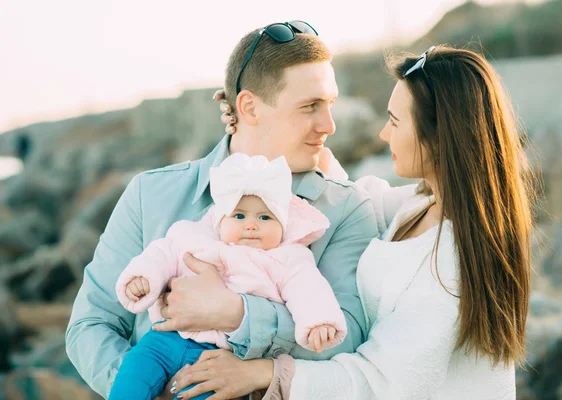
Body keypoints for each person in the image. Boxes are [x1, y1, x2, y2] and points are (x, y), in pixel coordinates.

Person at [172, 45, 533, 400]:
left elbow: (379, 384)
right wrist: (251, 122)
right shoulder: (421, 204)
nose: (383, 134)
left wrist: (262, 373)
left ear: (440, 137)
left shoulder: (448, 264)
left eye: (394, 121)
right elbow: (356, 196)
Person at [65, 20, 380, 400]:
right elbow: (91, 323)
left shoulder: (345, 209)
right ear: (248, 106)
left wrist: (238, 315)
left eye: (329, 104)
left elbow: (347, 342)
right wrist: (156, 390)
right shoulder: (152, 193)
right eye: (310, 106)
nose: (328, 125)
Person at [108, 153, 347, 400]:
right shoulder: (193, 237)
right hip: (163, 340)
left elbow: (308, 290)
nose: (251, 225)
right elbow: (160, 255)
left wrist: (319, 322)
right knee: (133, 373)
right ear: (220, 220)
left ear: (283, 225)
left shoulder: (288, 258)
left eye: (265, 217)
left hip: (221, 356)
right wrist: (143, 278)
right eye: (239, 216)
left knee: (205, 393)